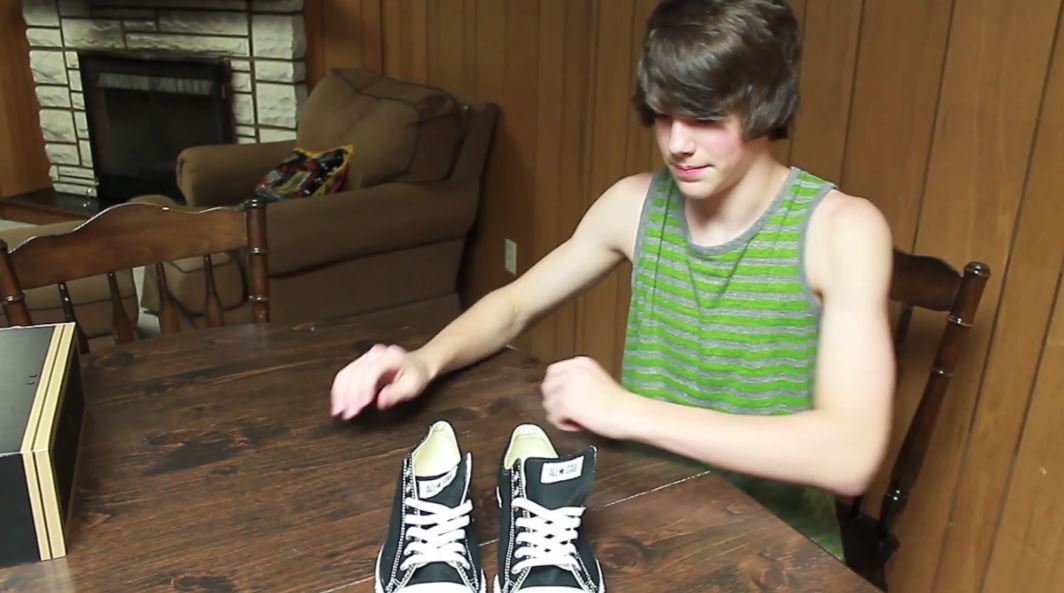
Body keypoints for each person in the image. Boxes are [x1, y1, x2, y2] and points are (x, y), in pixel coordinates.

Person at [330, 0, 895, 557]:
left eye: (704, 117)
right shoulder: (634, 203)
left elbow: (850, 457)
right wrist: (424, 360)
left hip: (777, 547)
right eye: (664, 115)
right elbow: (516, 306)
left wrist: (625, 411)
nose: (677, 143)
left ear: (767, 104)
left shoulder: (842, 229)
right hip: (644, 511)